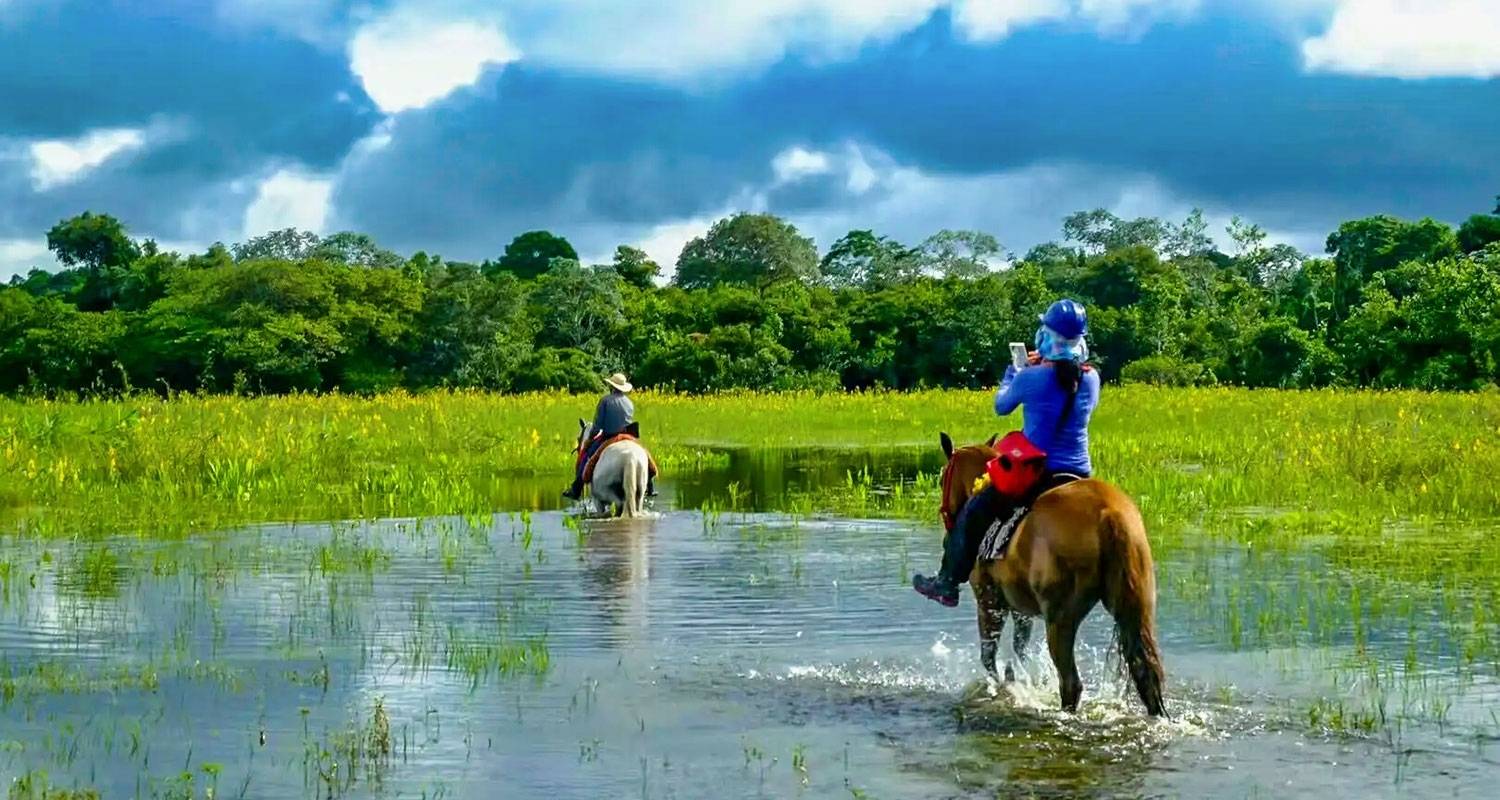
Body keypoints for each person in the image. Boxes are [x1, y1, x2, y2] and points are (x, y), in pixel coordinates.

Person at [912, 299, 1099, 607]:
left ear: (1047, 336)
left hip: (1038, 474)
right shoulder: (1092, 379)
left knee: (973, 511)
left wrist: (1013, 372)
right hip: (1080, 473)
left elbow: (1001, 406)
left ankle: (947, 582)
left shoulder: (1030, 377)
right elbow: (1068, 387)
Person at [563, 372, 656, 499]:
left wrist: (589, 439)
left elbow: (597, 426)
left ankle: (576, 488)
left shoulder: (605, 401)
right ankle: (650, 485)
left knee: (586, 456)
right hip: (628, 436)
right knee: (644, 455)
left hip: (609, 437)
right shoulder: (629, 402)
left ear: (611, 386)